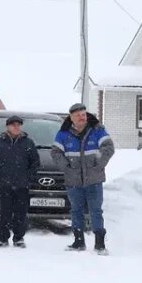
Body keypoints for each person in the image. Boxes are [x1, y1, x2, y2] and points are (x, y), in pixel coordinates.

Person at [51, 102, 115, 255]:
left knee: (96, 211)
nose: (82, 118)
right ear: (71, 118)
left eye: (83, 114)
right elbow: (55, 153)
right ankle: (78, 241)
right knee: (76, 211)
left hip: (94, 179)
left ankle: (99, 243)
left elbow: (108, 148)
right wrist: (66, 167)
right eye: (78, 115)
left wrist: (98, 165)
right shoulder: (63, 134)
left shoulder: (97, 130)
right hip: (73, 181)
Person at [0, 115, 40, 248]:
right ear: (8, 127)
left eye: (18, 125)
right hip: (5, 185)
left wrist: (28, 177)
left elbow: (35, 162)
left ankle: (19, 238)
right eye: (13, 125)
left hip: (22, 185)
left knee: (21, 213)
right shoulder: (0, 142)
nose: (16, 127)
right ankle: (2, 238)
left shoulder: (28, 143)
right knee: (5, 212)